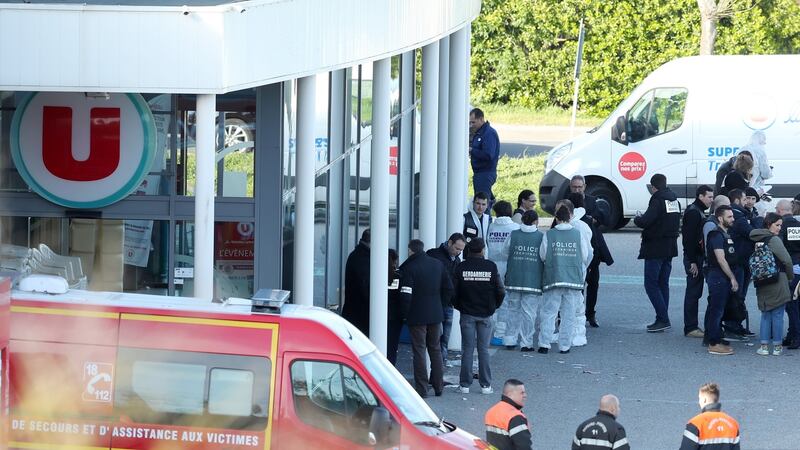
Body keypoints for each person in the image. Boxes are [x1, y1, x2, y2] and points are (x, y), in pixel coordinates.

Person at [398, 239, 453, 397]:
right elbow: (448, 288)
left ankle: (422, 389)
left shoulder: (409, 267)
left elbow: (406, 295)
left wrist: (405, 314)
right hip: (436, 314)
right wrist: (440, 305)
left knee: (419, 351)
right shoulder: (437, 264)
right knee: (435, 349)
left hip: (417, 315)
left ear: (410, 251)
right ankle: (438, 386)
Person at [453, 238, 505, 394]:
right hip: (485, 314)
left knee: (467, 349)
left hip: (467, 313)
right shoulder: (490, 266)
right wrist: (494, 306)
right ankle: (486, 385)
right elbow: (500, 290)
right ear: (482, 250)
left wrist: (459, 306)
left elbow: (453, 291)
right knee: (483, 349)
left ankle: (464, 385)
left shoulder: (461, 267)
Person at [538, 204, 590, 354]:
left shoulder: (549, 234)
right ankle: (565, 345)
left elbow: (543, 255)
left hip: (553, 278)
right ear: (570, 218)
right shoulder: (577, 234)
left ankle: (544, 344)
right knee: (569, 314)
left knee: (549, 312)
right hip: (573, 279)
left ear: (556, 218)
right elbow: (585, 256)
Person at [633, 173, 682, 332]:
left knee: (651, 284)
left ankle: (662, 318)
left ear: (653, 187)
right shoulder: (674, 199)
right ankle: (662, 317)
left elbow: (647, 220)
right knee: (663, 283)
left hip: (655, 247)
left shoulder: (657, 199)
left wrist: (637, 219)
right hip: (670, 246)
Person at [750, 213, 794, 356]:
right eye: (777, 225)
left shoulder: (756, 238)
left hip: (762, 280)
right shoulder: (773, 239)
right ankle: (777, 347)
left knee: (765, 314)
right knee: (778, 314)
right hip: (777, 279)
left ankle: (763, 347)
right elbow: (787, 260)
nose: (780, 228)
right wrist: (790, 277)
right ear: (769, 224)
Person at [503, 210, 545, 352]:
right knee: (529, 313)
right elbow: (544, 257)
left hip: (514, 278)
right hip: (532, 280)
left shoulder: (513, 235)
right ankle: (526, 343)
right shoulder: (540, 236)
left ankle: (510, 339)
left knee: (512, 310)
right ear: (536, 222)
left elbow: (504, 252)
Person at [426, 233, 466, 365]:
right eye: (456, 248)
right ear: (449, 243)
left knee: (444, 338)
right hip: (435, 303)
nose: (458, 252)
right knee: (435, 337)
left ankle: (440, 366)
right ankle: (434, 366)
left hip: (448, 303)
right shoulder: (434, 255)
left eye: (461, 250)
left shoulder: (456, 260)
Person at [704, 205, 738, 356]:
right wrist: (732, 278)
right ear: (720, 218)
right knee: (716, 310)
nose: (732, 219)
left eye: (732, 216)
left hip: (721, 276)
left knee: (719, 309)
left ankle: (716, 338)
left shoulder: (725, 234)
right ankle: (713, 343)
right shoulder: (716, 235)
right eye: (729, 217)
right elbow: (720, 259)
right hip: (718, 276)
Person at [486, 201, 520, 348]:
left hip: (492, 265)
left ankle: (491, 331)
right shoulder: (515, 228)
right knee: (506, 300)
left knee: (493, 299)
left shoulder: (491, 227)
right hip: (509, 266)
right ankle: (501, 333)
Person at [682, 185, 714, 338]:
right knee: (693, 293)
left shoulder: (698, 211)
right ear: (700, 196)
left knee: (696, 292)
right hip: (693, 258)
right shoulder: (694, 212)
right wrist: (693, 261)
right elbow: (688, 240)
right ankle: (690, 327)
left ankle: (692, 326)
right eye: (709, 197)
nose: (711, 200)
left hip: (696, 257)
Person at [563, 196, 595, 347]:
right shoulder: (568, 226)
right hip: (566, 270)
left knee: (576, 303)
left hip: (576, 270)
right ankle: (566, 331)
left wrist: (583, 267)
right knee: (565, 303)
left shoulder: (580, 227)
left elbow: (587, 252)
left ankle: (578, 333)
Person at [679, 383, 740, 450]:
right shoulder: (733, 424)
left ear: (704, 399)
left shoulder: (695, 423)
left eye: (699, 398)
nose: (699, 402)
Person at [777, 197, 800, 349]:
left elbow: (781, 249)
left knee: (791, 305)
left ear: (779, 211)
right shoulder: (797, 225)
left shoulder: (781, 226)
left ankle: (795, 337)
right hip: (798, 265)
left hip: (790, 268)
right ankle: (793, 335)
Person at [484, 379, 532, 450]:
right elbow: (524, 446)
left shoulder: (491, 411)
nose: (525, 395)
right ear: (510, 394)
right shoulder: (515, 417)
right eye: (522, 393)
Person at [469, 108, 500, 207]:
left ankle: (486, 220)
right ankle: (492, 202)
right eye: (470, 122)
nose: (471, 125)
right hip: (479, 173)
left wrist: (471, 150)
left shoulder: (488, 133)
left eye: (473, 122)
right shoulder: (479, 132)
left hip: (485, 173)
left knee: (481, 205)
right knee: (483, 201)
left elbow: (488, 155)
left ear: (481, 119)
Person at [342, 229, 371, 335]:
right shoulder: (363, 259)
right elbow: (365, 285)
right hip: (360, 312)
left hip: (354, 311)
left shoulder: (357, 255)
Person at [386, 249, 403, 365]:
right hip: (395, 316)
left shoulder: (375, 274)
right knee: (392, 345)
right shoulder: (398, 276)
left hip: (381, 314)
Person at [741, 131, 771, 196]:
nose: (765, 143)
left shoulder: (742, 149)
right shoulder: (760, 151)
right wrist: (770, 170)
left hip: (741, 188)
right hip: (755, 189)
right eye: (764, 140)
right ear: (760, 140)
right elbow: (766, 174)